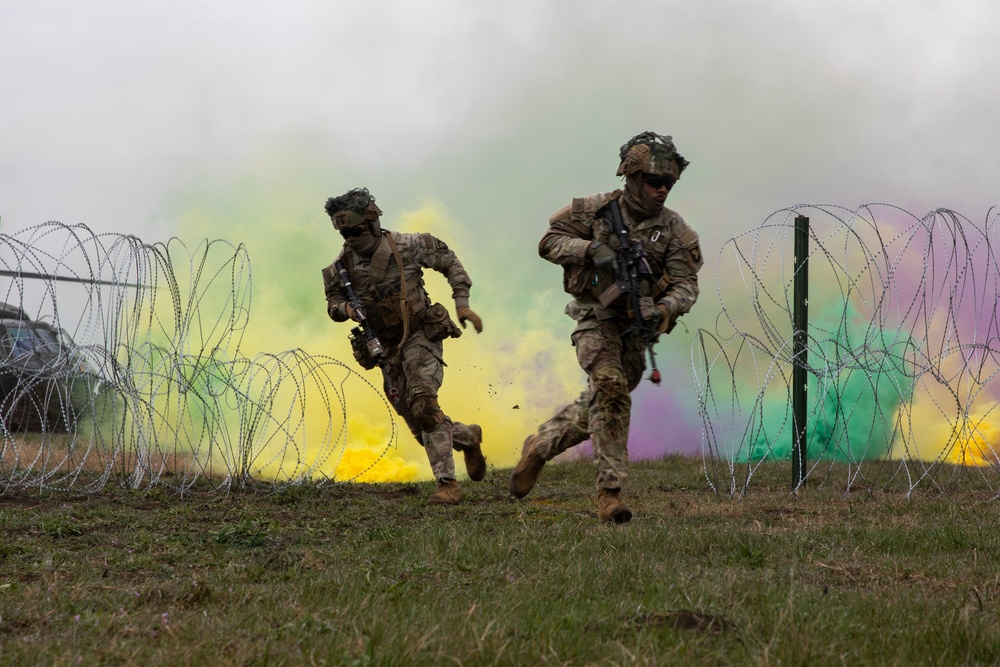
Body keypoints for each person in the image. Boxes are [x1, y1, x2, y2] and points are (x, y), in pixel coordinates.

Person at [509, 131, 703, 523]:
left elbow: (687, 285)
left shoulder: (677, 232)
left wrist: (664, 308)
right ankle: (609, 495)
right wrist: (588, 249)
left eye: (669, 183)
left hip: (635, 330)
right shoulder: (596, 210)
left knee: (602, 403)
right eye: (654, 181)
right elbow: (548, 242)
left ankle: (539, 446)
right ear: (631, 177)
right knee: (611, 388)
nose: (663, 190)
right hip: (594, 316)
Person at [321, 188, 487, 505]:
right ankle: (467, 436)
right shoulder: (339, 269)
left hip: (420, 332)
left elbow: (450, 262)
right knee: (416, 420)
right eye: (344, 233)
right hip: (384, 348)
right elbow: (332, 303)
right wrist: (345, 310)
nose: (350, 239)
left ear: (370, 224)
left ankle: (448, 485)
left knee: (423, 400)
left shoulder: (408, 246)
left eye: (355, 231)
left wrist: (462, 305)